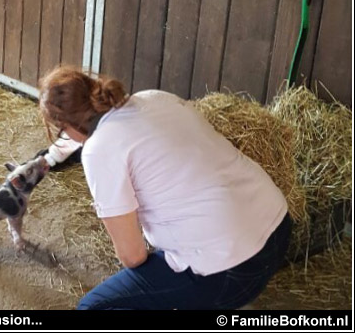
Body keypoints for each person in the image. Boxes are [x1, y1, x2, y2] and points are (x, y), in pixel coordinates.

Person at [38, 65, 292, 310]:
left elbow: (132, 256)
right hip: (279, 227)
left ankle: (222, 298)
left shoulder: (99, 149)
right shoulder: (154, 97)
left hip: (231, 268)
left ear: (66, 126)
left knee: (94, 307)